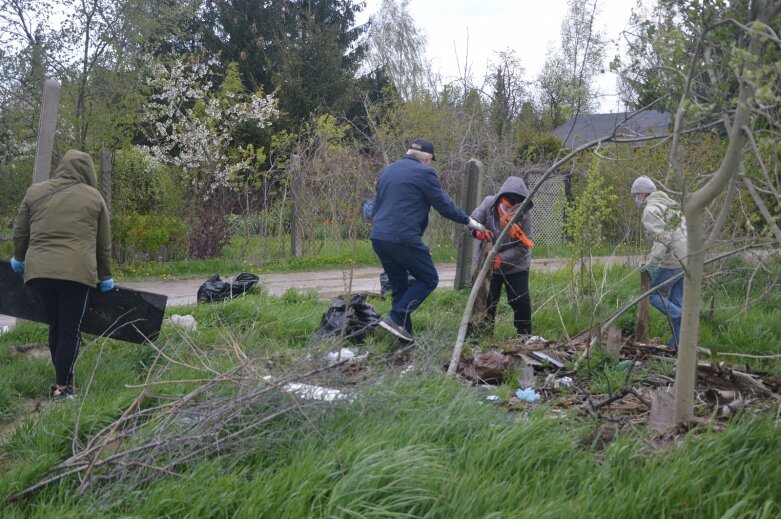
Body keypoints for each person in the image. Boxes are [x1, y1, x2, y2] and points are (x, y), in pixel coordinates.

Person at [11, 149, 114, 399]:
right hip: (76, 275)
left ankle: (62, 382)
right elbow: (103, 243)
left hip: (39, 273)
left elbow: (20, 230)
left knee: (56, 325)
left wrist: (19, 257)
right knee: (70, 329)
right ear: (88, 171)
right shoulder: (94, 197)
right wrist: (106, 274)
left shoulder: (35, 192)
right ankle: (63, 387)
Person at [370, 139, 486, 342]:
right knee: (429, 278)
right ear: (428, 158)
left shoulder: (389, 170)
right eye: (431, 161)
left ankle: (404, 340)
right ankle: (395, 317)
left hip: (379, 236)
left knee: (400, 289)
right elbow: (443, 205)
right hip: (403, 237)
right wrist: (468, 221)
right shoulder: (425, 173)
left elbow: (375, 205)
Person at [469, 176, 534, 336]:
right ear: (501, 199)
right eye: (507, 205)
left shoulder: (524, 215)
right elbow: (470, 221)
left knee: (520, 300)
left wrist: (502, 258)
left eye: (515, 207)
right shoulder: (488, 204)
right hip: (487, 264)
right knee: (486, 302)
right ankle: (483, 336)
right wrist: (478, 232)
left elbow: (524, 247)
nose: (510, 209)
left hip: (516, 265)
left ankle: (524, 335)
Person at [631, 175, 687, 349]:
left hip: (673, 261)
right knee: (675, 299)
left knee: (652, 294)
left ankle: (682, 318)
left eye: (635, 196)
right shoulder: (671, 206)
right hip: (688, 259)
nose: (635, 200)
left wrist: (653, 262)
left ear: (642, 194)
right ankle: (678, 345)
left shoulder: (650, 210)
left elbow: (663, 237)